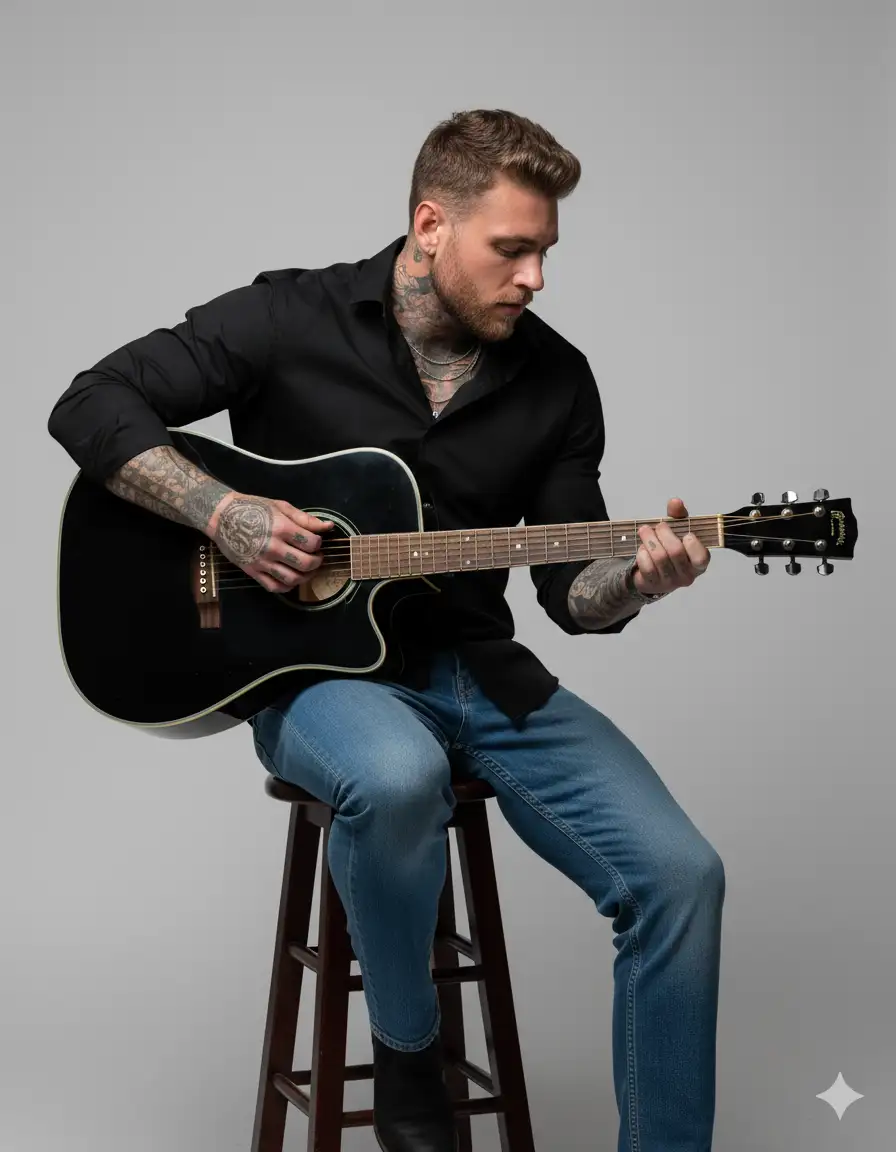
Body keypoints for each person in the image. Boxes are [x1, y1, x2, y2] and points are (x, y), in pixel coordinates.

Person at [48, 109, 725, 1152]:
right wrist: (221, 512)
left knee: (682, 875)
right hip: (318, 682)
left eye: (546, 251)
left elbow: (568, 593)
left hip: (482, 677)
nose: (536, 277)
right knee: (398, 776)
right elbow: (90, 404)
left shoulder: (557, 379)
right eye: (512, 248)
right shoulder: (287, 319)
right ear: (430, 225)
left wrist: (635, 582)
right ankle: (411, 1056)